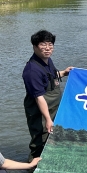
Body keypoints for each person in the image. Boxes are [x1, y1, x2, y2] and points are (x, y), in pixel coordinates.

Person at [22, 29, 73, 160]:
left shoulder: (47, 61)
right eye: (43, 45)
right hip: (40, 113)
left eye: (50, 45)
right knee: (40, 142)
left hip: (53, 109)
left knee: (54, 139)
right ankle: (31, 171)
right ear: (34, 46)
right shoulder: (32, 70)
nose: (47, 48)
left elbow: (51, 77)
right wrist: (48, 119)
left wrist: (64, 72)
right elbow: (39, 97)